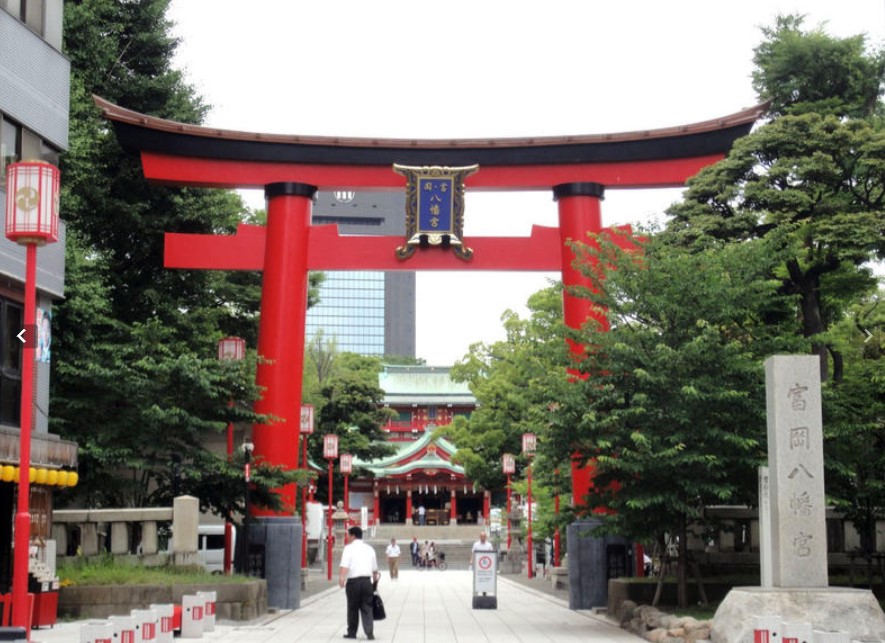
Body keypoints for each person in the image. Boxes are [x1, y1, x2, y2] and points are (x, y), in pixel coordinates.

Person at [338, 525, 380, 640]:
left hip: (353, 582)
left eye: (348, 535)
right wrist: (374, 584)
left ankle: (352, 632)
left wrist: (342, 578)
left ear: (353, 536)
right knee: (367, 607)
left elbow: (344, 565)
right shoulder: (370, 549)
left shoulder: (348, 548)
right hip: (367, 582)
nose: (347, 537)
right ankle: (369, 632)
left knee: (352, 607)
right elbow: (375, 569)